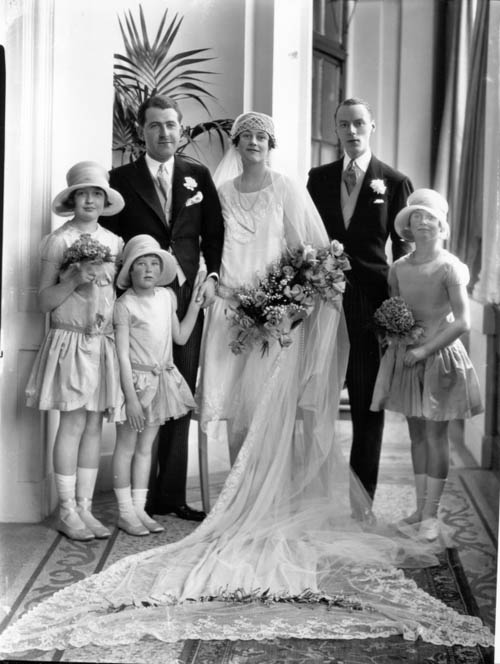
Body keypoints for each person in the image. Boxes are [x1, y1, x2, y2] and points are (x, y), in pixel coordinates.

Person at [0, 113, 492, 653]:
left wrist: (287, 307)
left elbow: (314, 251)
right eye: (246, 137)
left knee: (274, 409)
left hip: (277, 319)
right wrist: (221, 292)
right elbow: (212, 243)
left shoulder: (286, 186)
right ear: (237, 145)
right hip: (233, 311)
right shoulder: (221, 189)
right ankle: (237, 498)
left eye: (262, 137)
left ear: (272, 144)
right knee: (235, 409)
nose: (253, 143)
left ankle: (274, 499)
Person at [101, 95, 225, 522]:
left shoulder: (197, 176)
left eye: (171, 125)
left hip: (185, 300)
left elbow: (214, 235)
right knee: (140, 393)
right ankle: (134, 498)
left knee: (178, 394)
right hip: (138, 306)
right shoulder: (120, 178)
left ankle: (168, 496)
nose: (165, 133)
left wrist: (210, 280)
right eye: (155, 126)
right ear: (141, 131)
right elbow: (110, 242)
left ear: (181, 128)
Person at [307, 97, 413, 518]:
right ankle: (312, 493)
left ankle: (361, 502)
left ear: (373, 126)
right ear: (335, 129)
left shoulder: (394, 180)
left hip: (371, 305)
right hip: (324, 301)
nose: (352, 132)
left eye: (359, 124)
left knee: (369, 404)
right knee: (316, 400)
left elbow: (402, 250)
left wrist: (399, 313)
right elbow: (307, 236)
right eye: (344, 125)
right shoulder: (318, 178)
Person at [370, 189, 483, 541]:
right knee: (416, 436)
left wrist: (424, 351)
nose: (422, 222)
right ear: (408, 225)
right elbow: (395, 310)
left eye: (429, 217)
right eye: (415, 216)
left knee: (436, 436)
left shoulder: (450, 267)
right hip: (407, 358)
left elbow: (462, 322)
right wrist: (394, 338)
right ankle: (419, 511)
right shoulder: (399, 268)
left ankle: (431, 516)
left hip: (439, 358)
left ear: (440, 224)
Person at [24, 161, 125, 541]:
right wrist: (73, 278)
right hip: (69, 341)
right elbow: (44, 302)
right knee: (72, 422)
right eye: (83, 193)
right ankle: (66, 509)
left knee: (94, 425)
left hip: (101, 344)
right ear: (72, 199)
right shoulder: (58, 242)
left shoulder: (115, 243)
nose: (90, 199)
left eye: (96, 193)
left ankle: (84, 506)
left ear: (104, 200)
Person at [112, 235, 202, 536]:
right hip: (135, 385)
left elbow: (179, 337)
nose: (149, 269)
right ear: (130, 271)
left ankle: (140, 508)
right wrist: (131, 399)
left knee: (146, 448)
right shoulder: (125, 305)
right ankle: (125, 512)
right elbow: (122, 355)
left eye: (154, 264)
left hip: (162, 382)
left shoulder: (167, 297)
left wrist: (195, 306)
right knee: (126, 447)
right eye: (141, 264)